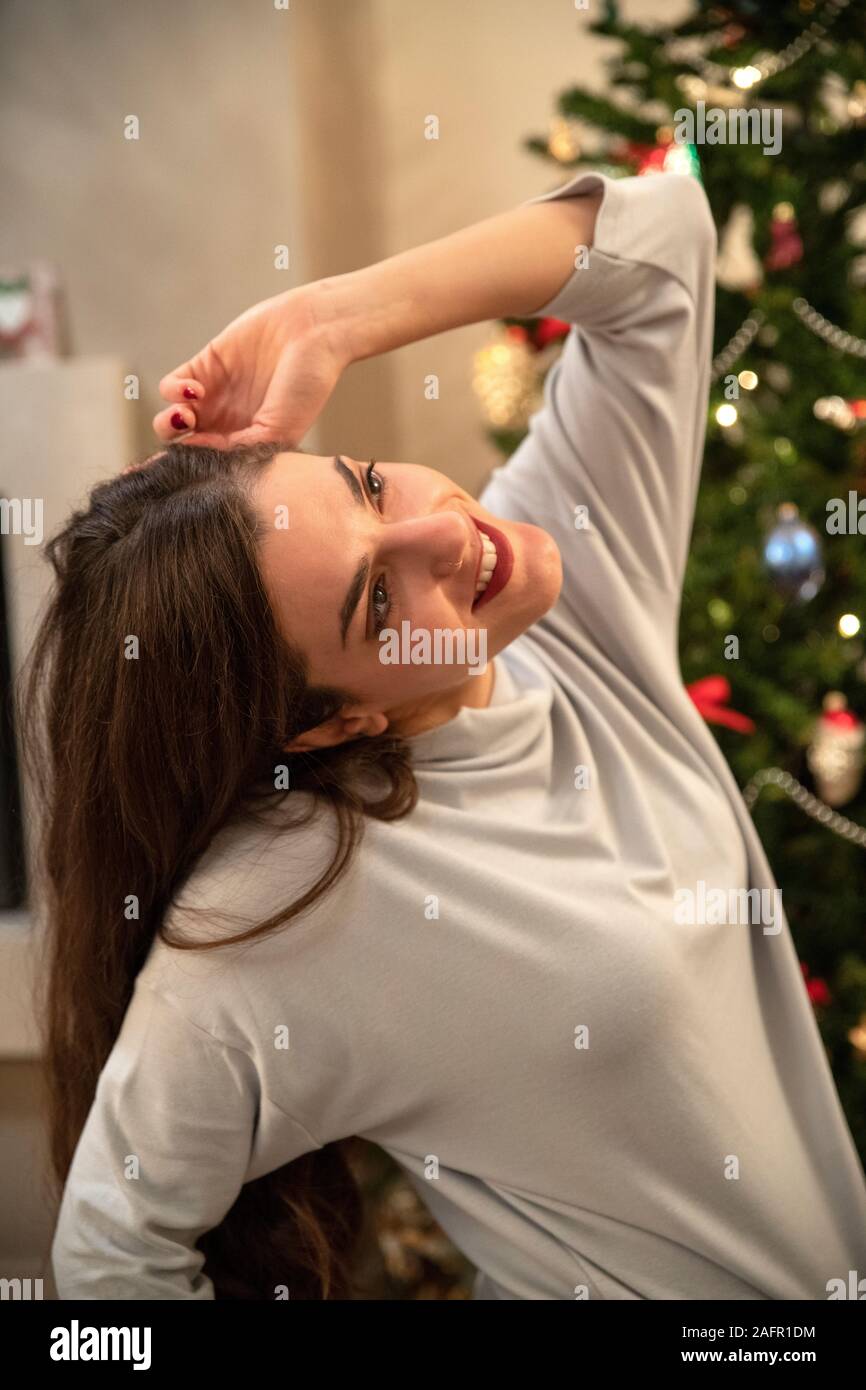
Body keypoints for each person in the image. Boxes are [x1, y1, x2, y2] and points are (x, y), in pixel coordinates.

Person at [34, 166, 866, 1301]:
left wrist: (329, 316)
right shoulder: (277, 904)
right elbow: (104, 1267)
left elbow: (660, 243)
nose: (443, 532)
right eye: (377, 602)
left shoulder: (557, 609)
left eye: (370, 484)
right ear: (334, 724)